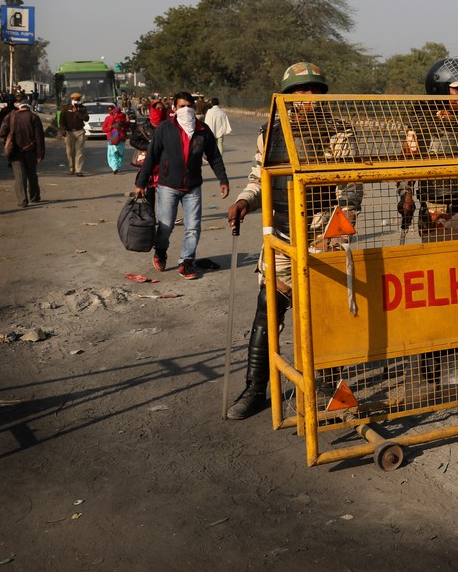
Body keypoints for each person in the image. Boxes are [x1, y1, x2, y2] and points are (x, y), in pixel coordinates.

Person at [225, 62, 363, 420]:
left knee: (324, 314)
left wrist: (335, 237)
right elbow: (258, 179)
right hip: (281, 234)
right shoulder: (268, 133)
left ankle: (332, 387)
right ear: (285, 97)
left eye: (315, 90)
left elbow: (350, 188)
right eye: (300, 91)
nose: (308, 97)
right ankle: (256, 388)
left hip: (322, 234)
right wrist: (243, 201)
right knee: (268, 310)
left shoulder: (339, 132)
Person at [397, 57, 458, 240]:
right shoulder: (421, 127)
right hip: (437, 212)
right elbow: (406, 169)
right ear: (441, 88)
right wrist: (406, 197)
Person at [133, 91, 230, 279]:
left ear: (194, 108)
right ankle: (161, 250)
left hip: (192, 187)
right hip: (167, 185)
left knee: (193, 226)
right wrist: (141, 182)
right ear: (174, 109)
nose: (186, 109)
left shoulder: (203, 130)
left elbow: (214, 156)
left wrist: (223, 179)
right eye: (182, 106)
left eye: (189, 106)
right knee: (166, 225)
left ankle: (186, 262)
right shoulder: (165, 129)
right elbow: (152, 156)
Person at [0, 96, 45, 208]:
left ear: (20, 106)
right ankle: (34, 197)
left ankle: (22, 201)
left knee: (20, 176)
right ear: (29, 107)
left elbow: (1, 132)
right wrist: (40, 154)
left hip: (15, 152)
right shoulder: (34, 117)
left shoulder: (10, 116)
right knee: (32, 175)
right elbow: (39, 138)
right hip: (31, 151)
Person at [57, 92, 90, 175]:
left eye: (78, 99)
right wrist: (62, 130)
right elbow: (61, 121)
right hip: (68, 132)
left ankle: (78, 170)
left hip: (79, 131)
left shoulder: (82, 108)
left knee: (79, 152)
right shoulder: (65, 108)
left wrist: (78, 112)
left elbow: (86, 119)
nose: (76, 101)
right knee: (69, 151)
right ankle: (71, 168)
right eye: (74, 99)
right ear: (71, 99)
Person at [101, 104, 130, 174]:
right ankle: (115, 167)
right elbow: (104, 129)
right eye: (109, 110)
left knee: (117, 154)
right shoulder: (110, 118)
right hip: (116, 138)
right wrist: (110, 127)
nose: (110, 111)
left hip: (116, 138)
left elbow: (126, 127)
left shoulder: (120, 118)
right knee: (114, 154)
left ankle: (115, 166)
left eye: (111, 110)